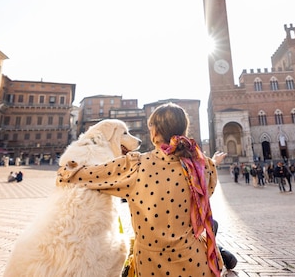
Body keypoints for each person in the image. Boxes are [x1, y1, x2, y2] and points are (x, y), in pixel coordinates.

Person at [57, 102, 227, 277]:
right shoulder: (202, 167)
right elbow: (207, 186)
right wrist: (213, 161)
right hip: (197, 265)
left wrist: (66, 171)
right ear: (184, 131)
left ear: (154, 132)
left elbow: (90, 176)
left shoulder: (137, 166)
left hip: (152, 267)